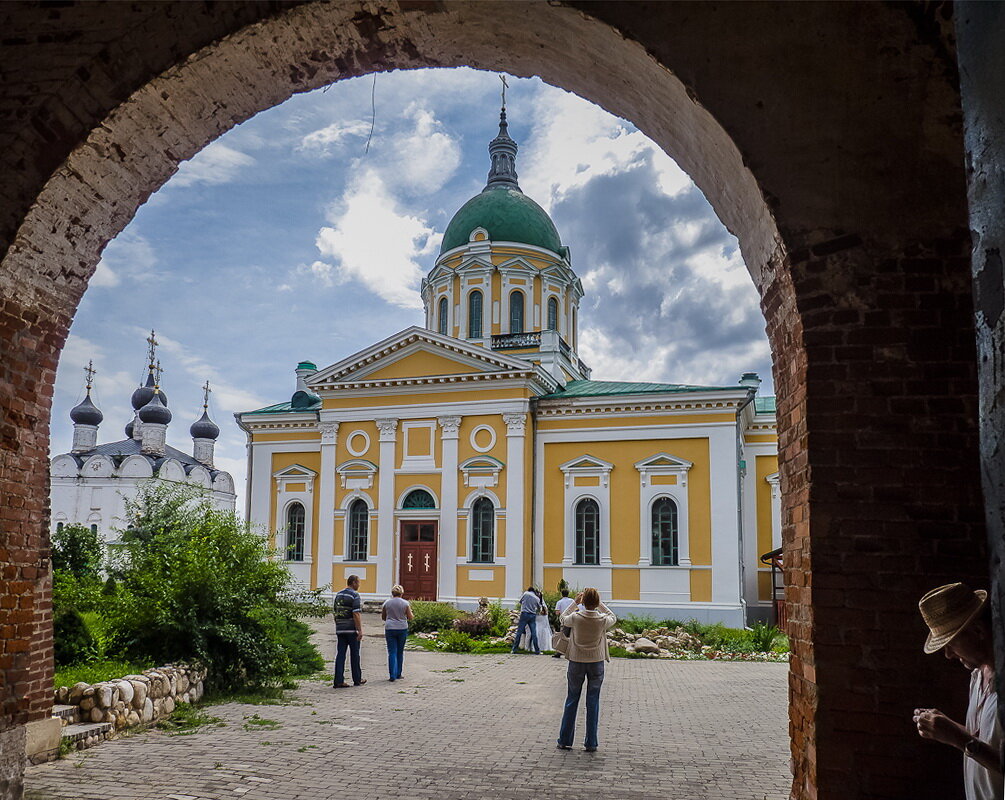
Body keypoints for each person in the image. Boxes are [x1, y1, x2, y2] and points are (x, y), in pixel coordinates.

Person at [913, 582, 1003, 800]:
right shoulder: (977, 676)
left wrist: (958, 739)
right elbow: (992, 743)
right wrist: (948, 728)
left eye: (951, 644)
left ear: (978, 631)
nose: (948, 655)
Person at [556, 587, 616, 752]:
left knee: (572, 699)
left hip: (576, 661)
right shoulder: (602, 620)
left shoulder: (575, 618)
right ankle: (591, 742)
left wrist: (575, 602)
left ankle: (565, 740)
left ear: (583, 602)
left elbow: (562, 618)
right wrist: (600, 604)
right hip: (596, 662)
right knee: (593, 701)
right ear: (596, 602)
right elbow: (613, 616)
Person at [333, 574, 366, 688]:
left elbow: (335, 612)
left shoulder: (338, 594)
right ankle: (357, 679)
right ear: (354, 583)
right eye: (358, 583)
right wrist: (359, 630)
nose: (359, 585)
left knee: (341, 654)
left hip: (340, 629)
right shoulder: (354, 595)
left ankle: (338, 680)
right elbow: (356, 613)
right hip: (351, 629)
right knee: (355, 654)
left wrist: (338, 624)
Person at [381, 584, 414, 682]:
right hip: (402, 628)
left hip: (390, 628)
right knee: (400, 651)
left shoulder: (387, 603)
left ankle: (392, 674)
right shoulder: (405, 603)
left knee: (392, 652)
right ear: (402, 593)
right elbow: (410, 616)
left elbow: (383, 617)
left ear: (392, 593)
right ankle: (398, 673)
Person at [511, 585, 543, 654]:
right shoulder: (536, 598)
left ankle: (514, 649)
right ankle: (537, 650)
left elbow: (520, 602)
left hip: (524, 614)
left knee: (519, 632)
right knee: (534, 633)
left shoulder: (525, 594)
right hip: (532, 615)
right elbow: (539, 608)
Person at [553, 589, 575, 658]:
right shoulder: (572, 601)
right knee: (572, 636)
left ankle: (559, 652)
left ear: (561, 594)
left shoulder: (559, 602)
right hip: (572, 620)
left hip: (564, 620)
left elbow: (557, 612)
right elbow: (576, 609)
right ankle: (572, 651)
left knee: (563, 637)